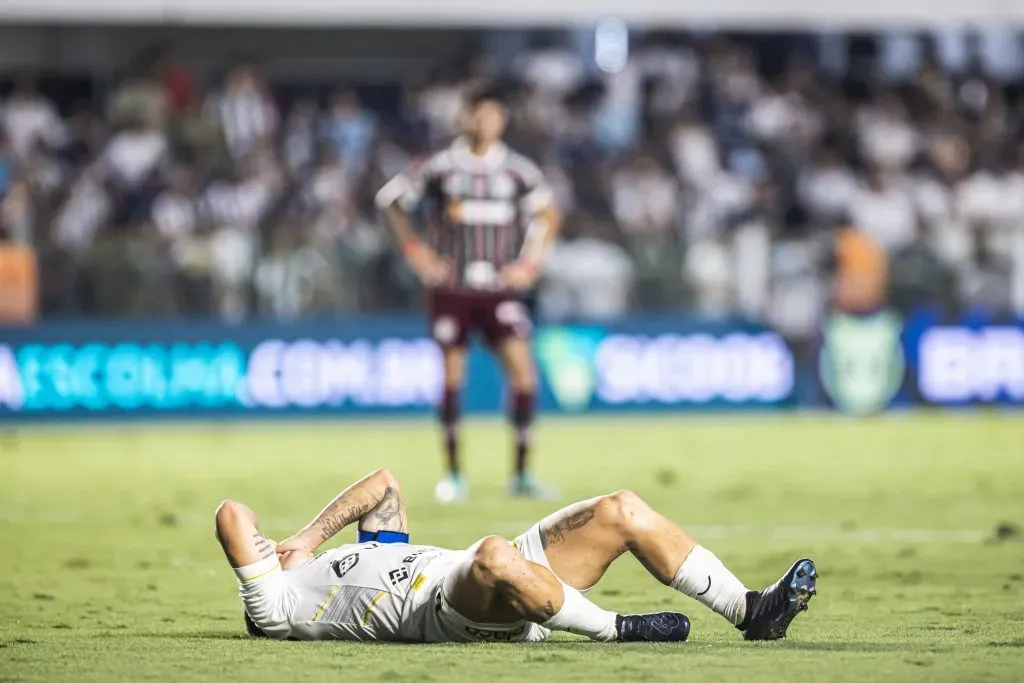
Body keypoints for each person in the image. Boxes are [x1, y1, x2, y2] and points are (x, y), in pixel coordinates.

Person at [215, 468, 817, 643]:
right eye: (264, 551)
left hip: (497, 576)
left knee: (621, 508)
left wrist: (312, 537)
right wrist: (280, 557)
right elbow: (231, 514)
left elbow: (386, 485)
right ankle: (617, 630)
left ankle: (751, 610)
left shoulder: (342, 561)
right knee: (493, 553)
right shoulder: (277, 606)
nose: (269, 544)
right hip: (456, 612)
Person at [375, 86, 561, 502]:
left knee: (523, 372)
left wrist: (530, 264)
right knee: (453, 375)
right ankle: (455, 474)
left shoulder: (518, 170)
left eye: (492, 114)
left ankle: (521, 473)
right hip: (452, 288)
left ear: (502, 120)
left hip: (499, 288)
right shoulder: (441, 167)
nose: (484, 122)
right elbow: (390, 201)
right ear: (464, 118)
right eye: (477, 114)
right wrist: (418, 253)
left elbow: (548, 215)